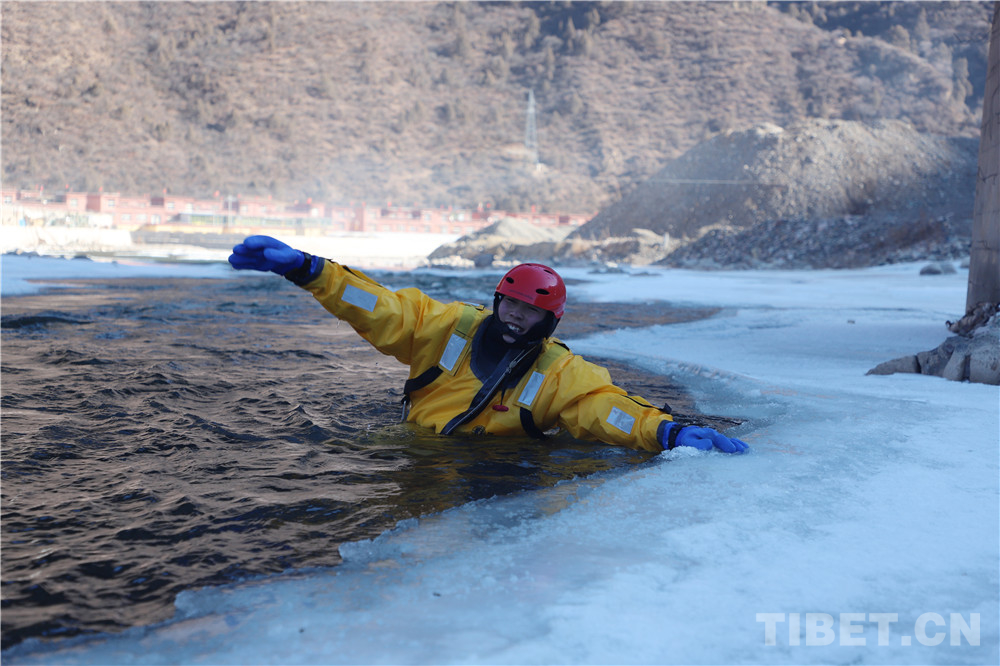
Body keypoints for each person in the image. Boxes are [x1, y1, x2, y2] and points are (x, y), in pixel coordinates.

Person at [228, 235, 748, 455]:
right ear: (497, 300)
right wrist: (310, 271)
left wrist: (665, 431)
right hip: (414, 447)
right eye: (510, 304)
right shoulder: (447, 326)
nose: (516, 317)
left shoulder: (559, 373)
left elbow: (604, 410)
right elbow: (381, 308)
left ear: (550, 320)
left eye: (531, 312)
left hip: (495, 472)